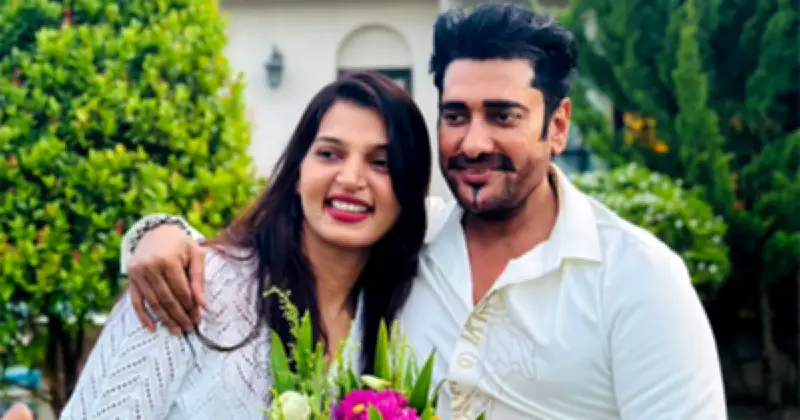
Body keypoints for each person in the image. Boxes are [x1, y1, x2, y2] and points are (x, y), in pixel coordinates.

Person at [110, 4, 727, 419]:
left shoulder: (637, 278)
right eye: (456, 115)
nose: (474, 141)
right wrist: (157, 234)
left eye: (503, 115)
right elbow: (285, 236)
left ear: (557, 126)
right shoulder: (412, 239)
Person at [59, 72, 432, 419]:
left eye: (381, 163)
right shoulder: (188, 286)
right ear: (298, 172)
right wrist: (155, 231)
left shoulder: (394, 321)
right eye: (328, 154)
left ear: (410, 190)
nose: (350, 179)